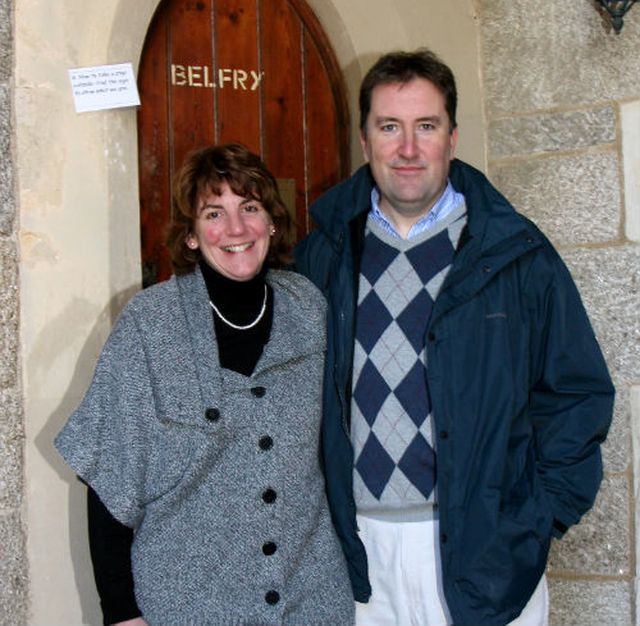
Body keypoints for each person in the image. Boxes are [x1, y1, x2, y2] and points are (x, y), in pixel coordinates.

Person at [293, 49, 615, 626]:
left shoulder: (516, 254)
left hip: (485, 550)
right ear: (365, 142)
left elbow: (577, 393)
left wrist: (537, 518)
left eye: (426, 126)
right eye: (389, 127)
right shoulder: (324, 254)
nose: (408, 148)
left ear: (452, 137)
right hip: (359, 558)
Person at [55, 143, 354, 626]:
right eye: (214, 213)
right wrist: (122, 614)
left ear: (271, 223)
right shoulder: (150, 326)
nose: (236, 229)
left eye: (250, 208)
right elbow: (108, 481)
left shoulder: (310, 309)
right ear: (192, 235)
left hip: (311, 601)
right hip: (189, 605)